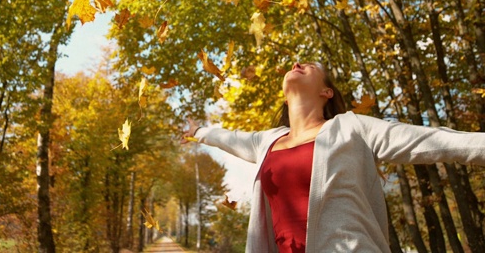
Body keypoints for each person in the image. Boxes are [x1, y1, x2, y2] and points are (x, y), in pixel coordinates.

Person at [181, 62, 485, 253]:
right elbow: (230, 139)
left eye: (310, 66)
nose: (298, 63)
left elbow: (432, 141)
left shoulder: (352, 127)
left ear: (327, 92)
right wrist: (200, 131)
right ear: (285, 95)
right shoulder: (267, 141)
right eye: (296, 65)